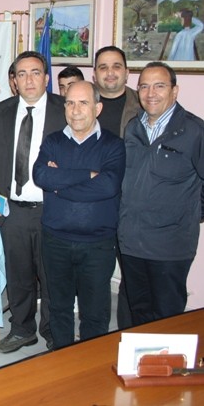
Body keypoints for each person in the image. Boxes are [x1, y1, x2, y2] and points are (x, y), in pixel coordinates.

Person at [0, 51, 66, 354]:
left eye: (35, 72)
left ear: (47, 78)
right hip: (12, 211)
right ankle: (23, 329)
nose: (29, 80)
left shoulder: (65, 110)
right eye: (21, 74)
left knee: (53, 277)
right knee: (18, 276)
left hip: (54, 210)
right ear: (13, 81)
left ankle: (54, 331)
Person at [33, 81, 125, 349]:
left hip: (97, 245)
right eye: (70, 103)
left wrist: (59, 184)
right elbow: (41, 176)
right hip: (56, 241)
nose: (75, 110)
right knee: (59, 307)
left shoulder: (113, 145)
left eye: (83, 103)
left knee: (95, 313)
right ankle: (62, 357)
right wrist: (88, 175)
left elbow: (108, 186)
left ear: (97, 108)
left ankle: (89, 362)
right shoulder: (53, 141)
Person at [118, 61, 204, 326]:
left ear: (174, 91)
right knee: (137, 314)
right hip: (131, 242)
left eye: (159, 86)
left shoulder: (194, 131)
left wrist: (189, 213)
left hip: (170, 247)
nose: (150, 93)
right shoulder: (133, 128)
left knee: (167, 320)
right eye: (144, 86)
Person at [92, 45, 141, 329]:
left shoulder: (143, 106)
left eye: (116, 66)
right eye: (103, 67)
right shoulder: (82, 102)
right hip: (92, 207)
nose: (110, 73)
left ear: (126, 72)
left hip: (129, 205)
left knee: (132, 277)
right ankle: (96, 334)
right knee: (95, 276)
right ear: (95, 74)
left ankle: (128, 333)